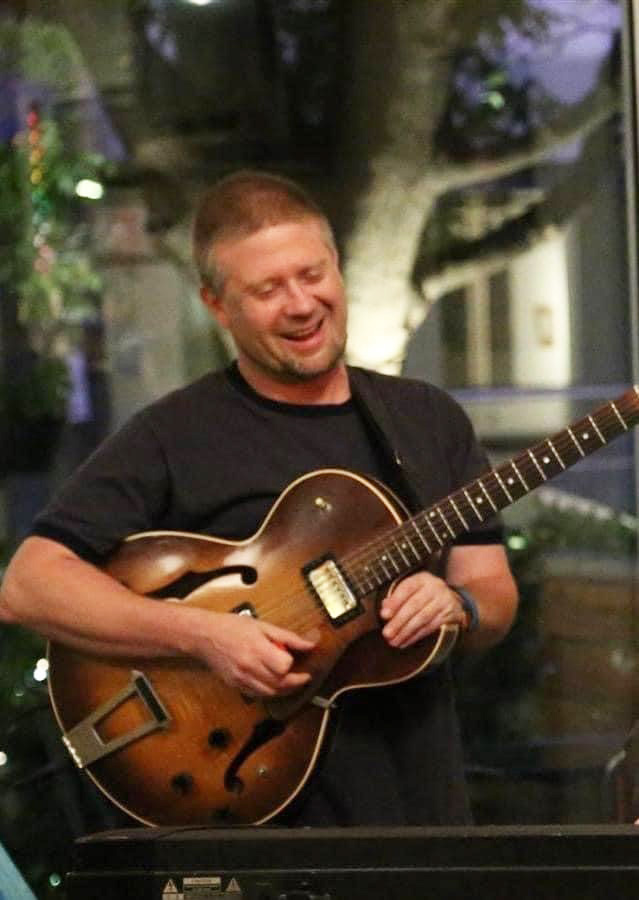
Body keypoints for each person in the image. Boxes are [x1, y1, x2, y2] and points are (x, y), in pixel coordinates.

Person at [0, 170, 518, 827]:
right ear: (218, 306)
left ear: (336, 268)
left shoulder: (426, 420)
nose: (301, 305)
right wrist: (203, 636)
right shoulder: (172, 435)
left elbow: (491, 590)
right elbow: (29, 586)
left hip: (419, 813)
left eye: (312, 274)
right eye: (267, 290)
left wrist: (459, 605)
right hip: (250, 817)